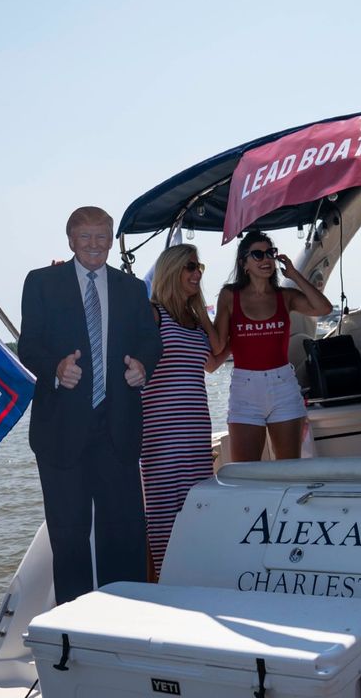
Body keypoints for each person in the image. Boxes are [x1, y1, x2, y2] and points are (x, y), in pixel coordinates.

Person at [18, 206, 163, 605]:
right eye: (86, 237)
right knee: (70, 537)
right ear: (70, 240)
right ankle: (75, 629)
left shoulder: (132, 288)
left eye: (102, 237)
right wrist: (56, 367)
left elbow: (151, 341)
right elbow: (28, 345)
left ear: (111, 239)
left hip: (117, 429)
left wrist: (142, 366)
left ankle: (128, 618)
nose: (95, 245)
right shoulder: (41, 283)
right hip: (60, 433)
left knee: (126, 533)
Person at [140, 244, 228, 578]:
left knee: (198, 513)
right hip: (161, 437)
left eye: (200, 267)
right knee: (164, 521)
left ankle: (194, 584)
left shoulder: (193, 319)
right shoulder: (152, 314)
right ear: (172, 269)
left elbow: (215, 355)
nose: (197, 273)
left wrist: (203, 311)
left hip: (194, 434)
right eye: (190, 266)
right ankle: (162, 590)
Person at [214, 230, 332, 462]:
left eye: (270, 253)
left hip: (283, 387)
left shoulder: (285, 296)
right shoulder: (230, 296)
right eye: (257, 254)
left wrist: (294, 274)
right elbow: (218, 343)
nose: (266, 259)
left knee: (289, 470)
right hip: (244, 389)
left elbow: (323, 308)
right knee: (246, 474)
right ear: (244, 263)